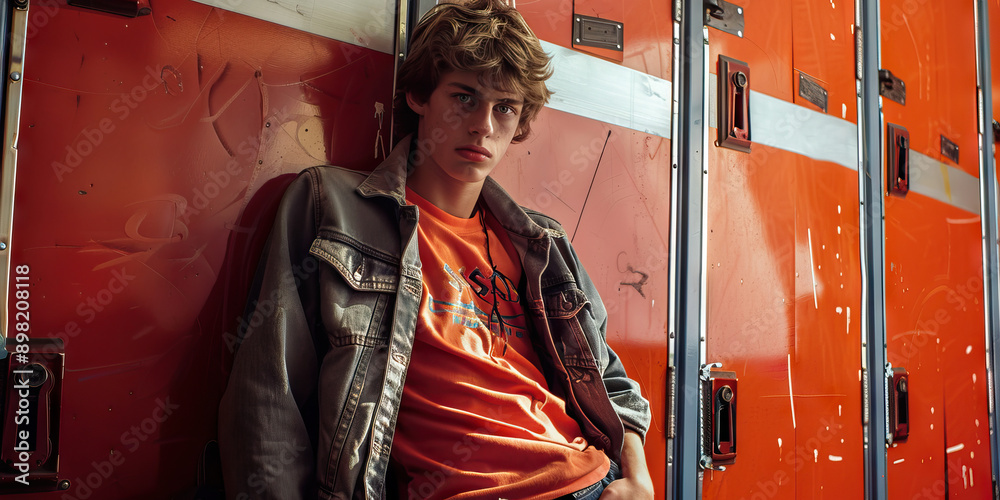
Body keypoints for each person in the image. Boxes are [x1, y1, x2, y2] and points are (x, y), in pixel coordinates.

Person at [218, 1, 653, 498]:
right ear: (420, 95)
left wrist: (638, 480)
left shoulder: (543, 245)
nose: (483, 126)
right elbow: (268, 397)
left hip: (589, 484)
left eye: (504, 108)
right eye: (465, 98)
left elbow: (610, 382)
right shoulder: (332, 207)